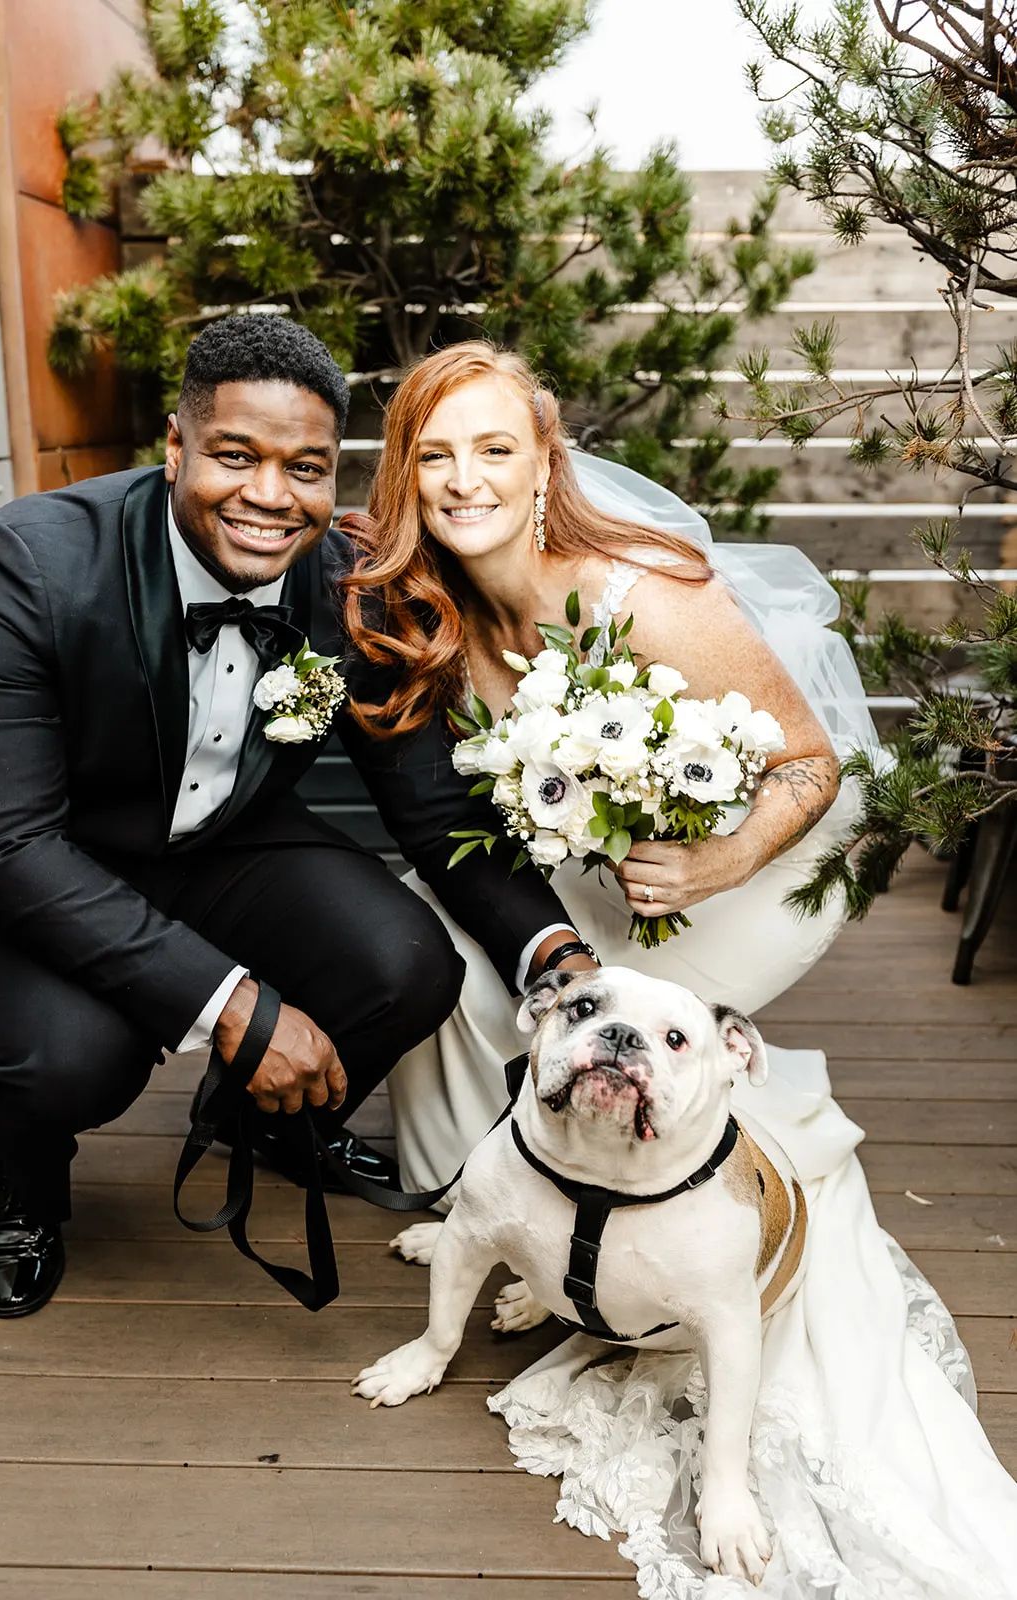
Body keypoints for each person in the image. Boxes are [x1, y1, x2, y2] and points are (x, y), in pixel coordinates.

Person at [341, 341, 1017, 1597]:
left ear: (543, 461)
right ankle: (498, 1210)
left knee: (657, 1032)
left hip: (753, 860)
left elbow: (809, 764)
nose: (463, 478)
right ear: (404, 472)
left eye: (494, 448)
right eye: (433, 454)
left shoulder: (631, 589)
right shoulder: (434, 609)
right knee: (450, 940)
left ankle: (765, 1188)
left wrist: (709, 871)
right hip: (610, 864)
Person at [0, 317, 589, 1321]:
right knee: (75, 1062)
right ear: (175, 449)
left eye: (304, 467)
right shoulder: (23, 565)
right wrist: (238, 1006)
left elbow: (427, 805)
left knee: (412, 966)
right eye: (235, 456)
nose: (268, 497)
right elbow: (4, 844)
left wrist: (557, 953)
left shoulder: (349, 580)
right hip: (46, 865)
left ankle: (254, 1118)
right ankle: (26, 1171)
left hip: (218, 842)